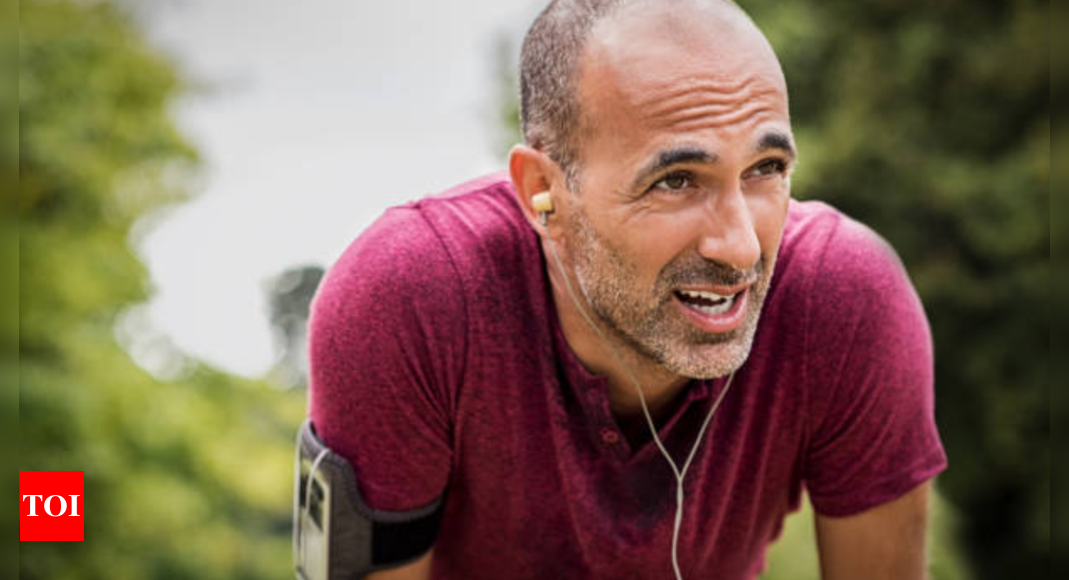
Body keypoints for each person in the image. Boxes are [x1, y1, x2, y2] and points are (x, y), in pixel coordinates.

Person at [305, 0, 947, 578]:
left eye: (766, 170)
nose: (742, 247)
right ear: (541, 192)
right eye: (675, 181)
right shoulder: (409, 298)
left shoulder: (847, 299)